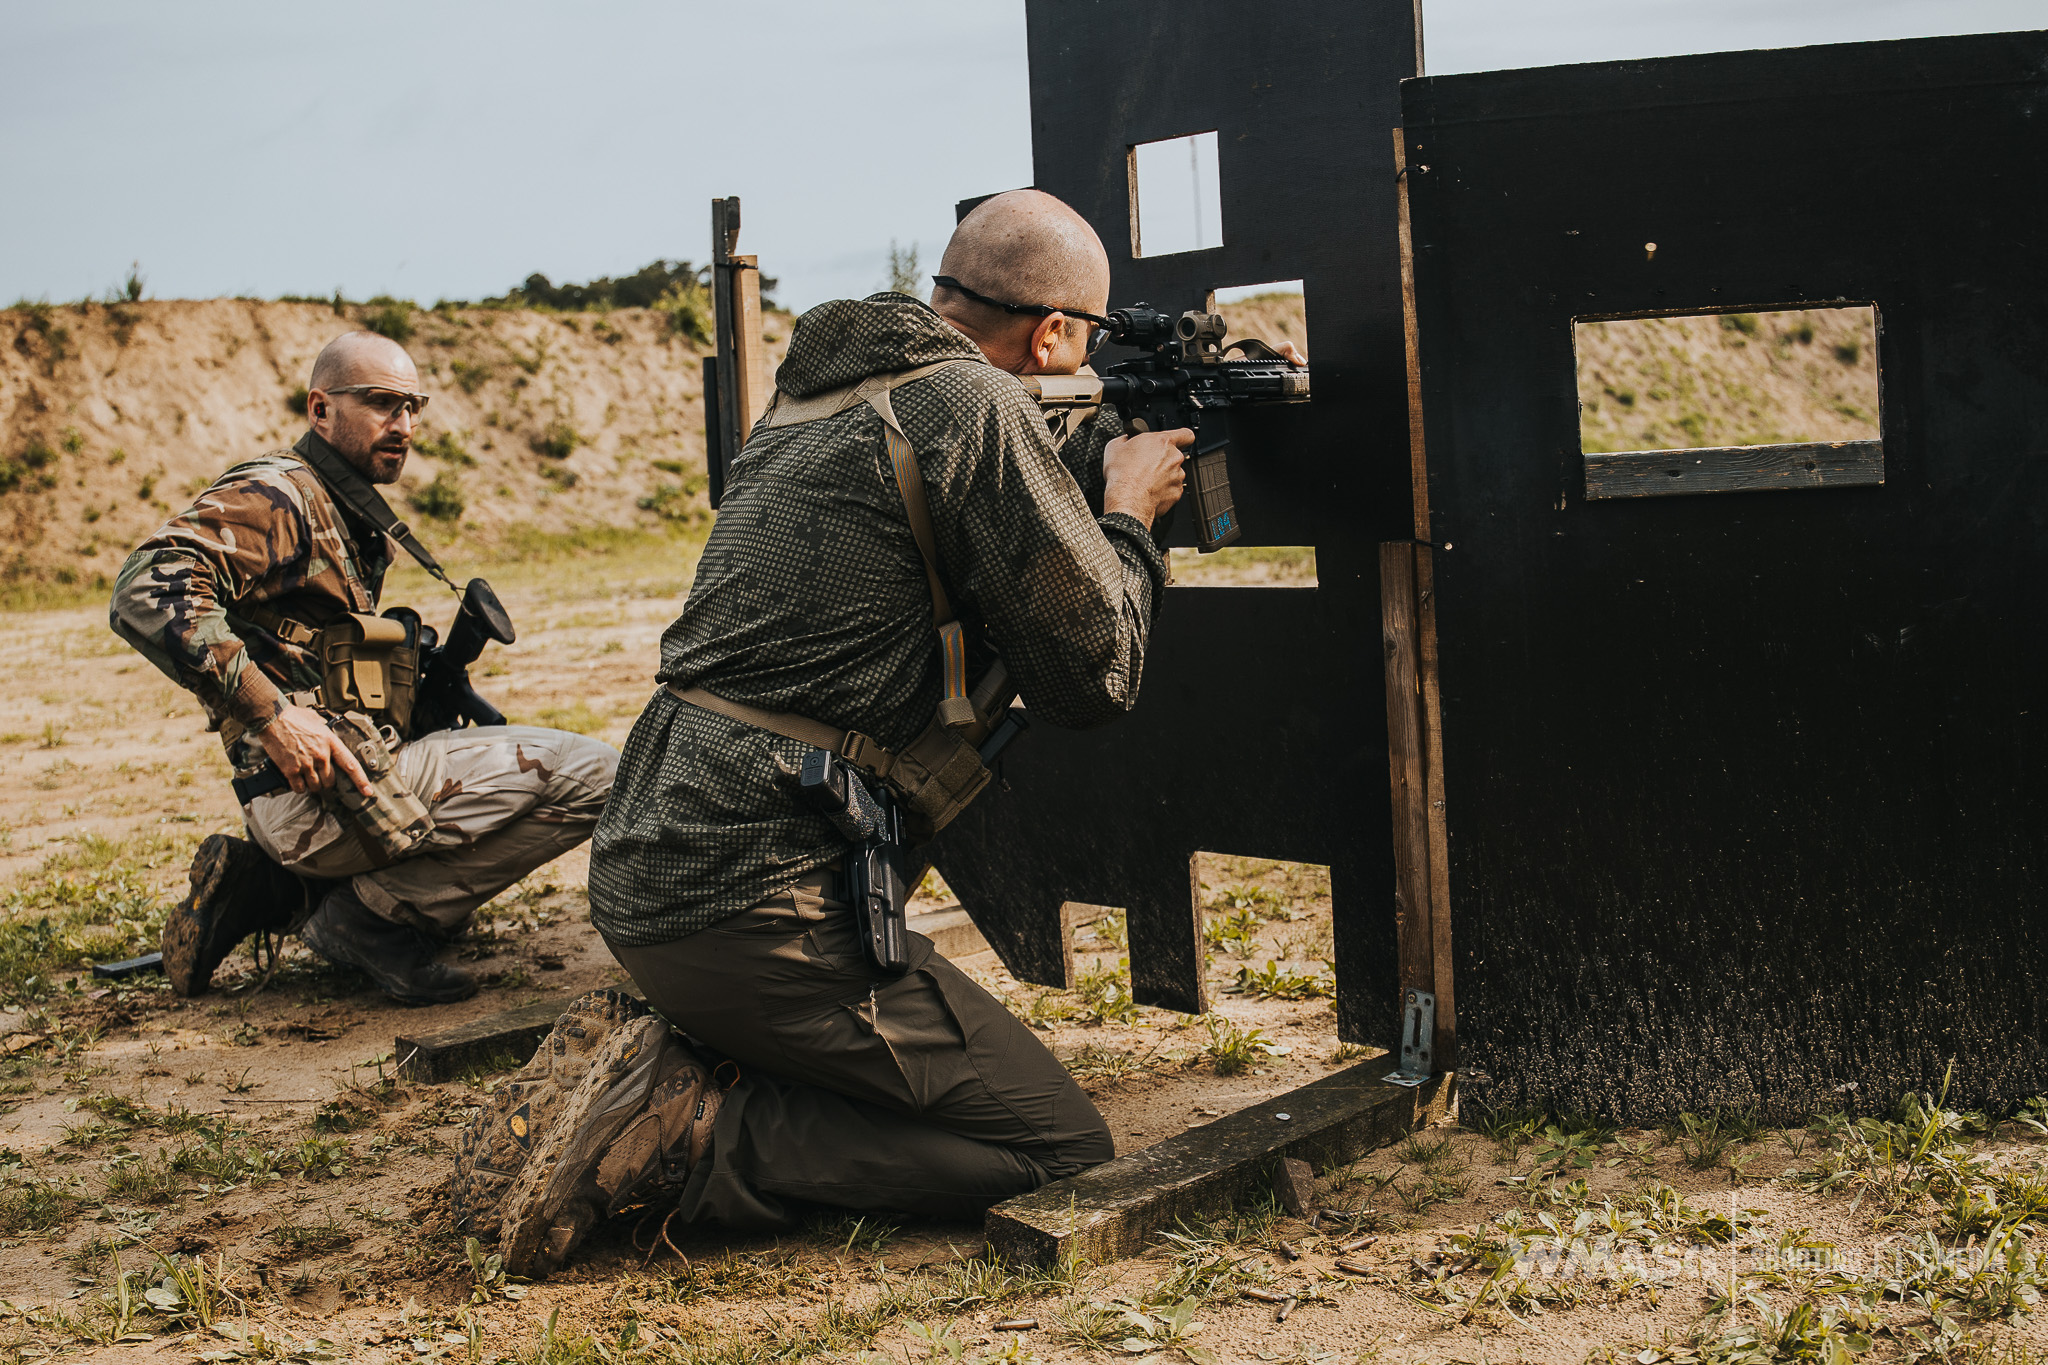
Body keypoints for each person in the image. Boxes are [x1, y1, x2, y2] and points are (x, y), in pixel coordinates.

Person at [450, 189, 1206, 1276]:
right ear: (1049, 337)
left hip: (655, 878)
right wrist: (1127, 513)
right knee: (1049, 1143)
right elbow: (1095, 677)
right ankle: (690, 1143)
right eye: (1079, 339)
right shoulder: (972, 410)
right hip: (752, 908)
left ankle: (684, 1061)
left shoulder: (821, 397)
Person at [110, 331, 618, 1005]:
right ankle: (371, 915)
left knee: (512, 762)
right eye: (382, 403)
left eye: (413, 408)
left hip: (337, 786)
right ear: (320, 410)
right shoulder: (279, 493)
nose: (403, 426)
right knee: (598, 776)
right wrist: (274, 714)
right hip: (310, 800)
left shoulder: (345, 508)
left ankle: (276, 889)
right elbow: (146, 587)